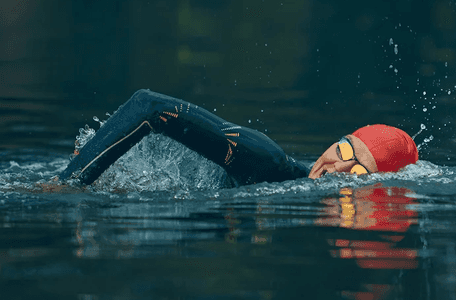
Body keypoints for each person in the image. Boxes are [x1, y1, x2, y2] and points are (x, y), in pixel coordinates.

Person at [58, 89, 418, 186]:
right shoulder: (266, 162)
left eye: (357, 173)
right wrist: (67, 183)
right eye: (343, 149)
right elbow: (149, 106)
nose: (336, 167)